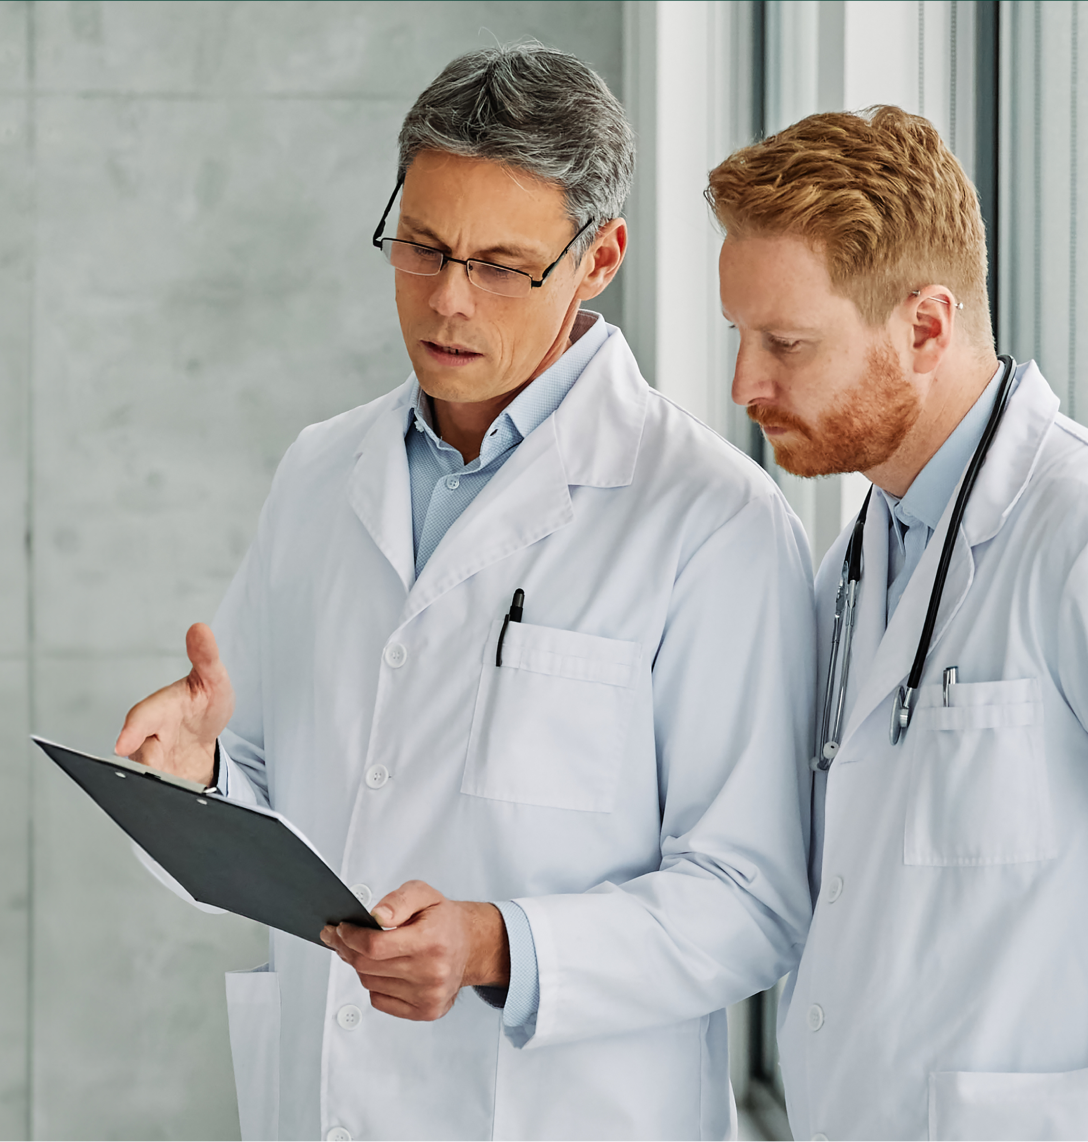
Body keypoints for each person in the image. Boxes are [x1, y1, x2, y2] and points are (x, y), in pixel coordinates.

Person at [117, 44, 816, 1142]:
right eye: (423, 245)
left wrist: (502, 944)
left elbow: (751, 901)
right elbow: (273, 787)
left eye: (501, 264)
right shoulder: (319, 471)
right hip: (328, 1098)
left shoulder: (709, 520)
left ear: (598, 260)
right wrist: (197, 770)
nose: (446, 298)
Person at [709, 105, 1088, 1142]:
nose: (744, 385)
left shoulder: (1068, 534)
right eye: (738, 337)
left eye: (783, 342)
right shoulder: (852, 565)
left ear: (923, 327)